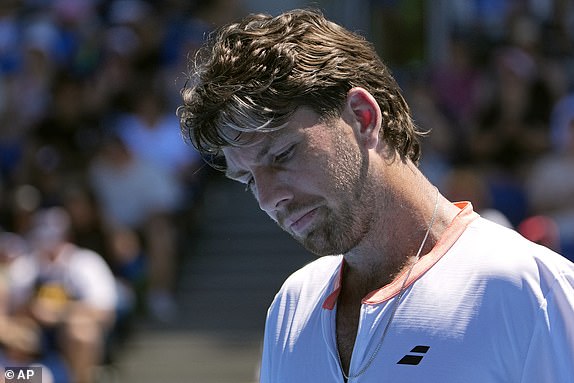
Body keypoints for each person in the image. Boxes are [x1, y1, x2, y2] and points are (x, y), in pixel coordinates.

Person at [177, 9, 574, 383]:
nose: (267, 197)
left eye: (282, 155)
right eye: (247, 178)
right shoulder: (290, 306)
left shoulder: (533, 289)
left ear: (363, 118)